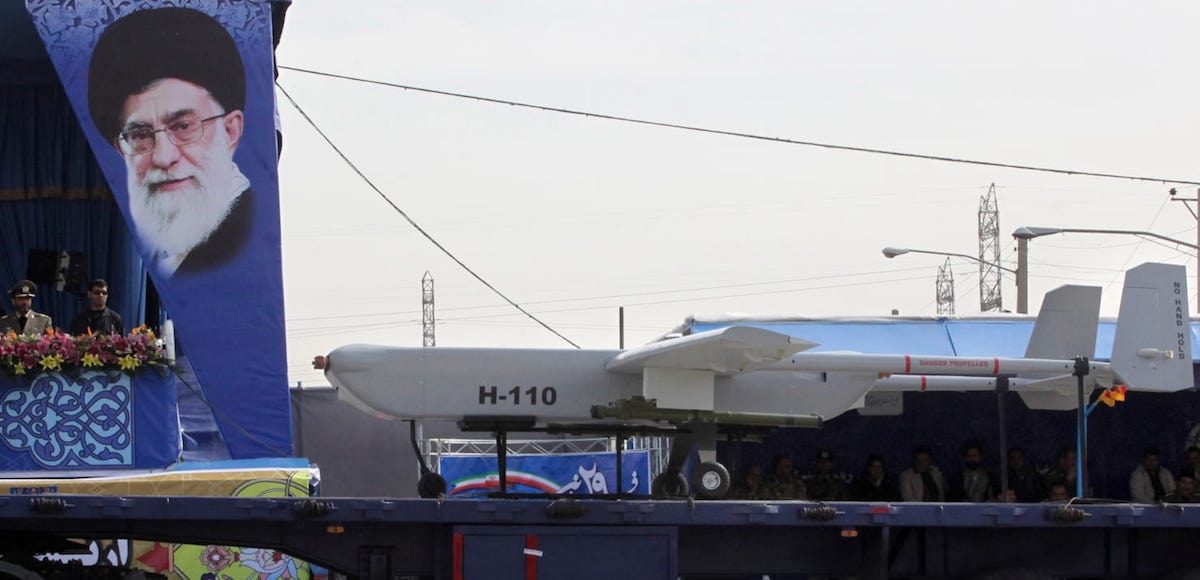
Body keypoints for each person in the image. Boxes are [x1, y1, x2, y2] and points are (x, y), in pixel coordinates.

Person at [88, 7, 253, 278]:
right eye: (140, 135)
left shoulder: (246, 236)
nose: (163, 157)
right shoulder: (160, 246)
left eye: (183, 126)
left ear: (230, 131)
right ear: (121, 150)